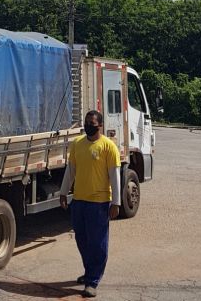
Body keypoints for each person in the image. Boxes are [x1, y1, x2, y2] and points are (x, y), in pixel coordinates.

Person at [59, 110, 121, 298]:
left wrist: (116, 203)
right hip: (79, 202)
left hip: (99, 203)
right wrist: (63, 192)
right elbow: (71, 171)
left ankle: (93, 280)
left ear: (100, 125)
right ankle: (88, 271)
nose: (88, 125)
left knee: (98, 243)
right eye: (86, 122)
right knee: (82, 240)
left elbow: (114, 177)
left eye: (92, 123)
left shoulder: (108, 147)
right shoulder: (77, 144)